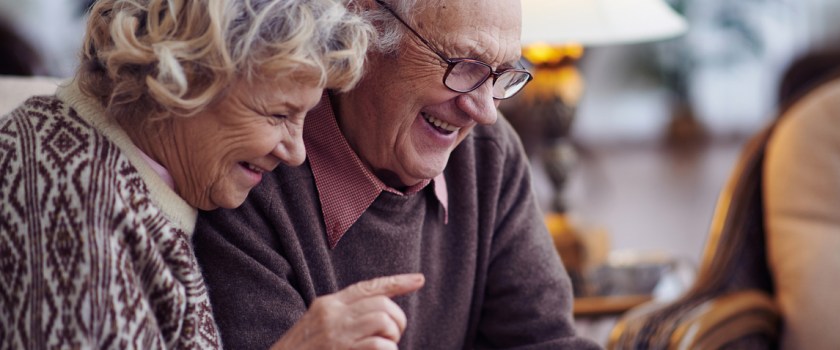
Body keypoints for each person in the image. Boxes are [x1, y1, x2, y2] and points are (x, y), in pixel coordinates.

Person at [194, 0, 602, 348]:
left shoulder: (487, 155)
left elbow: (546, 339)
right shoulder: (251, 169)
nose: (484, 111)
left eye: (501, 73)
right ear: (365, 26)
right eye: (463, 65)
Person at [0, 0, 370, 347]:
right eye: (278, 115)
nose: (296, 151)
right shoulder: (76, 202)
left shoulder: (124, 177)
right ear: (183, 77)